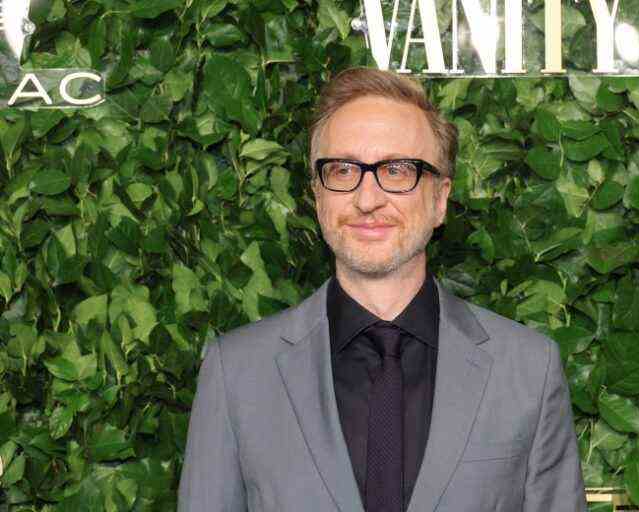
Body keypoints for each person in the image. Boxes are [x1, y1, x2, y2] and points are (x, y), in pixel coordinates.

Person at [178, 67, 587, 512]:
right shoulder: (236, 374)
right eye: (343, 169)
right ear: (318, 196)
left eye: (396, 170)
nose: (367, 199)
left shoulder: (528, 369)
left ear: (441, 198)